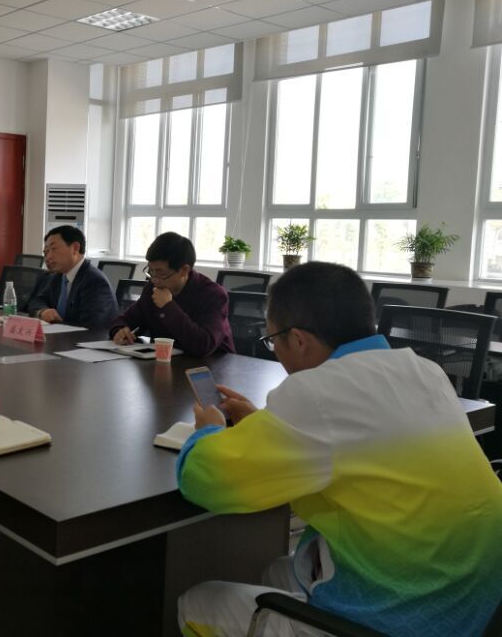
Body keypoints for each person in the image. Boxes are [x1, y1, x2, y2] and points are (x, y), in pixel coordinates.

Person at [175, 262, 502, 637]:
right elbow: (351, 440)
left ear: (299, 340)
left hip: (407, 620)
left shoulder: (316, 393)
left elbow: (204, 479)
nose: (276, 351)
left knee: (196, 602)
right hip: (479, 601)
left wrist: (209, 430)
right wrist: (260, 423)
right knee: (277, 571)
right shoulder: (424, 370)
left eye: (273, 340)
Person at [109, 232, 233, 357]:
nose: (154, 279)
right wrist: (120, 330)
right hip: (165, 361)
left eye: (161, 273)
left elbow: (204, 345)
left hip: (212, 364)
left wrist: (168, 307)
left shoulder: (213, 295)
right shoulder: (153, 288)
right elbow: (125, 320)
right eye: (151, 271)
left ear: (184, 270)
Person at [27, 226, 117, 330]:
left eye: (54, 249)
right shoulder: (56, 277)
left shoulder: (95, 282)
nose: (48, 257)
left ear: (75, 248)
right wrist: (43, 311)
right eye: (46, 252)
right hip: (60, 337)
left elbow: (92, 328)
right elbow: (36, 300)